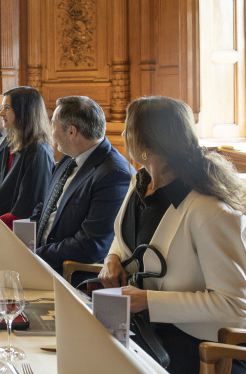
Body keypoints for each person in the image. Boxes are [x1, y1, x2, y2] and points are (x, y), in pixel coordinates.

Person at [98, 97, 246, 373]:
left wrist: (148, 301)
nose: (121, 134)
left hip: (192, 346)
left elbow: (234, 305)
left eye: (128, 128)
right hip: (140, 328)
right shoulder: (141, 181)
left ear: (148, 142)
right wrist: (113, 259)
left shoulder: (209, 209)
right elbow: (124, 238)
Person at [29, 96, 131, 274]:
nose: (50, 131)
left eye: (53, 125)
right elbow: (46, 207)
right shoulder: (69, 156)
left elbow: (92, 245)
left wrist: (35, 255)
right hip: (41, 259)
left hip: (69, 274)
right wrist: (20, 239)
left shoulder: (113, 174)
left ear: (71, 132)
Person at [0, 86, 55, 228]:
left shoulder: (38, 151)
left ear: (23, 112)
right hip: (5, 224)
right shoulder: (12, 143)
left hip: (21, 232)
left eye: (7, 108)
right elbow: (4, 191)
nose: (1, 113)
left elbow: (29, 208)